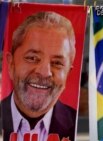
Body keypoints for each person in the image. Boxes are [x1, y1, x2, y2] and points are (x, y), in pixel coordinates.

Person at [1, 11, 77, 141]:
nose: (44, 72)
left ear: (68, 73)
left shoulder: (81, 124)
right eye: (32, 58)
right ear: (11, 63)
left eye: (57, 63)